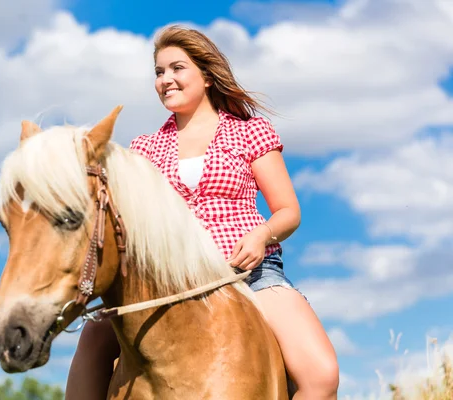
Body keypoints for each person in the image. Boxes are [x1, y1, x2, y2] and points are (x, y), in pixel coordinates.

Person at [66, 25, 339, 400]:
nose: (166, 80)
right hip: (167, 281)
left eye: (177, 68)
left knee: (321, 377)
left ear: (207, 76)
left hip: (249, 274)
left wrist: (261, 236)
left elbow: (288, 211)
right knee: (94, 335)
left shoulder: (250, 132)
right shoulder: (143, 149)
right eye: (159, 73)